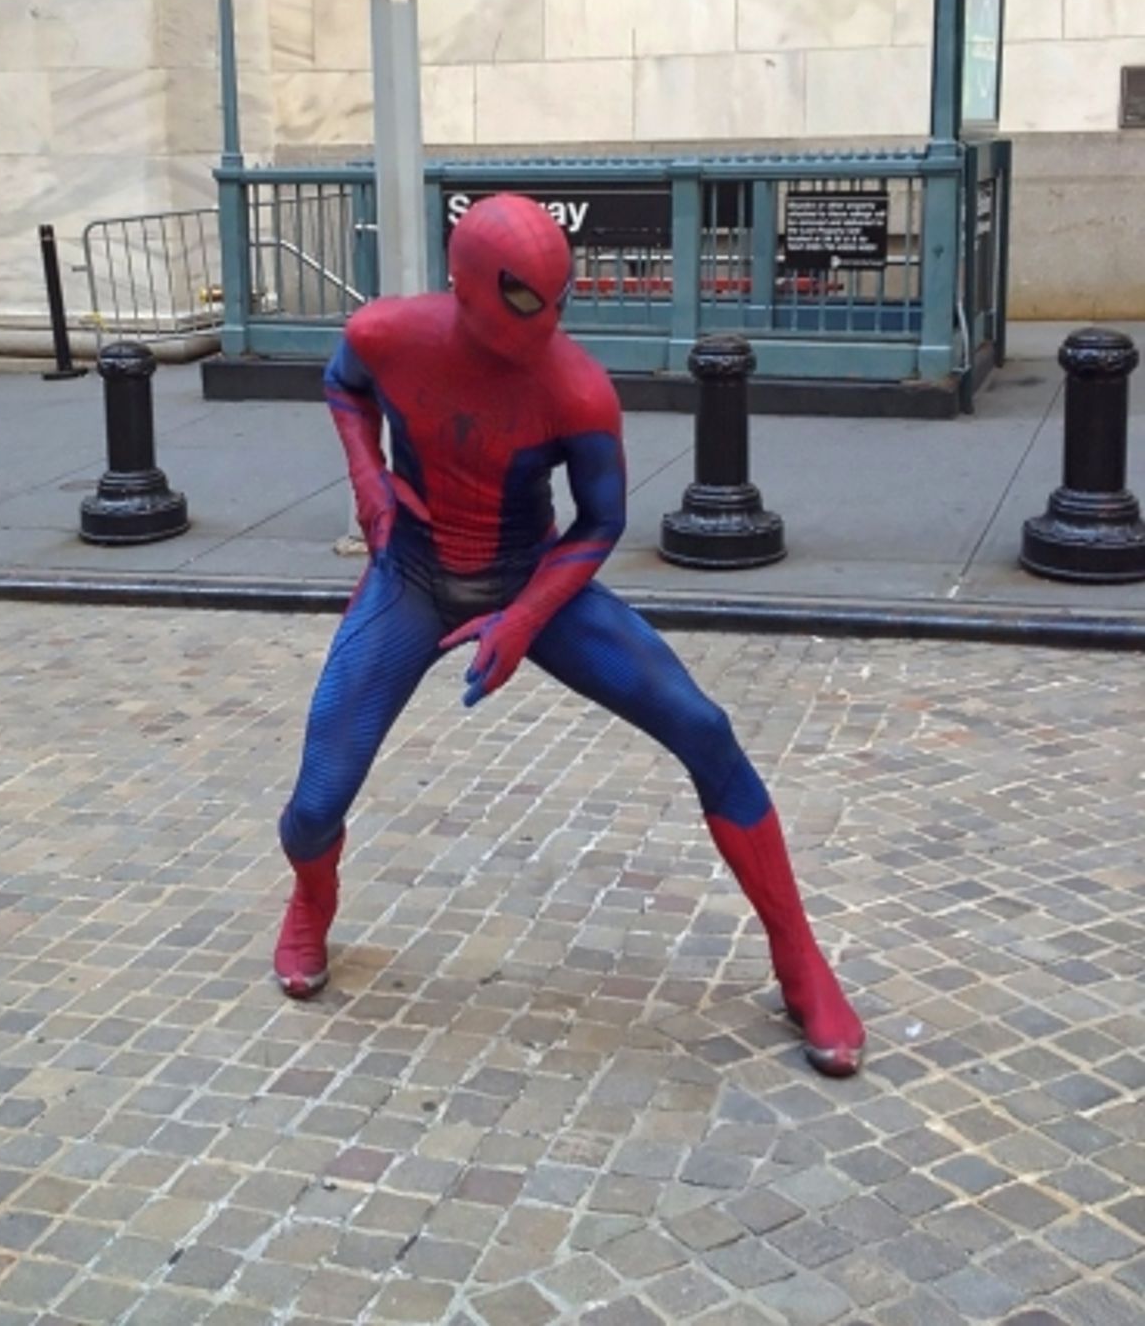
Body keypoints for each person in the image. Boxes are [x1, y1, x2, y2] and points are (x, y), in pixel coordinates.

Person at [272, 194, 865, 1077]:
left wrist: (524, 617)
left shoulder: (574, 386)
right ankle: (311, 897)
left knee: (705, 730)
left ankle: (798, 955)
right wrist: (368, 477)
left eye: (555, 309)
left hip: (530, 575)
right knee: (315, 801)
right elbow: (343, 384)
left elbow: (598, 523)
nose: (539, 332)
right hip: (412, 579)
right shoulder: (388, 332)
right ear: (463, 289)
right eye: (519, 311)